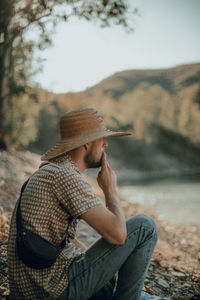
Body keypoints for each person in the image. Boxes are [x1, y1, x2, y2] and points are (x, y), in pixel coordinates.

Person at [7, 108, 171, 300]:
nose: (105, 144)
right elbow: (118, 235)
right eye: (101, 139)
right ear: (85, 143)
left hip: (37, 287)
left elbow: (63, 242)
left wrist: (106, 264)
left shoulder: (52, 171)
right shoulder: (65, 176)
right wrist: (110, 189)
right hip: (50, 291)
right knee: (145, 225)